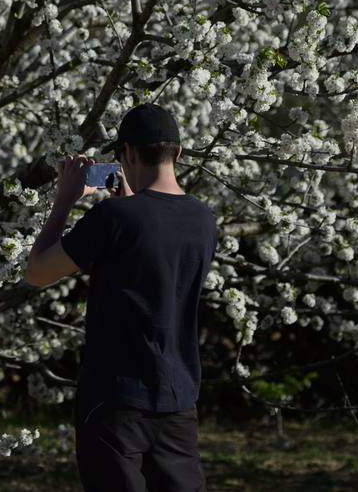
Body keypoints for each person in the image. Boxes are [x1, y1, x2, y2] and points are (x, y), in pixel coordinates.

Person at [25, 103, 218, 492]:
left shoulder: (115, 220)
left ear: (127, 153)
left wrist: (65, 199)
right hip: (178, 399)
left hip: (116, 401)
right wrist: (125, 200)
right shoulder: (204, 220)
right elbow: (149, 253)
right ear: (178, 153)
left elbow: (37, 272)